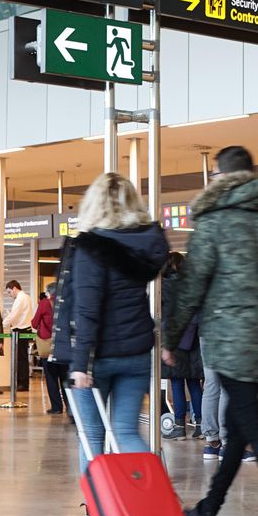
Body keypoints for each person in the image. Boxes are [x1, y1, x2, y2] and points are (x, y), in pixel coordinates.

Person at [163, 146, 258, 516]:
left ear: (220, 178)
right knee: (237, 424)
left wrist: (169, 337)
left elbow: (190, 288)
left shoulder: (212, 225)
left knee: (254, 429)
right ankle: (209, 509)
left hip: (229, 343)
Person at [56, 173, 168, 470]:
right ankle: (153, 504)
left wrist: (80, 364)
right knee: (126, 432)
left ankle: (99, 512)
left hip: (98, 357)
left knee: (92, 437)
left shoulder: (92, 247)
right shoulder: (145, 247)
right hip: (136, 353)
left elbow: (88, 309)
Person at [160, 253, 203, 437]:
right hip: (194, 338)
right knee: (194, 384)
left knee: (177, 383)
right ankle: (201, 424)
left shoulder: (163, 285)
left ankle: (179, 426)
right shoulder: (192, 284)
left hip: (174, 339)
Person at [33, 281, 67, 416]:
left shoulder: (44, 303)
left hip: (48, 347)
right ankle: (71, 408)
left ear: (49, 292)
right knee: (65, 377)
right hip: (63, 346)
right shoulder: (66, 303)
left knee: (51, 378)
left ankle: (56, 407)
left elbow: (34, 323)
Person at [2, 279, 35, 392]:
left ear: (14, 288)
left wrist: (2, 325)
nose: (10, 295)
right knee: (22, 358)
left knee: (21, 359)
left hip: (21, 330)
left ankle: (23, 383)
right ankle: (22, 382)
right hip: (24, 329)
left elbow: (13, 315)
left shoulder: (20, 299)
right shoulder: (26, 297)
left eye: (9, 292)